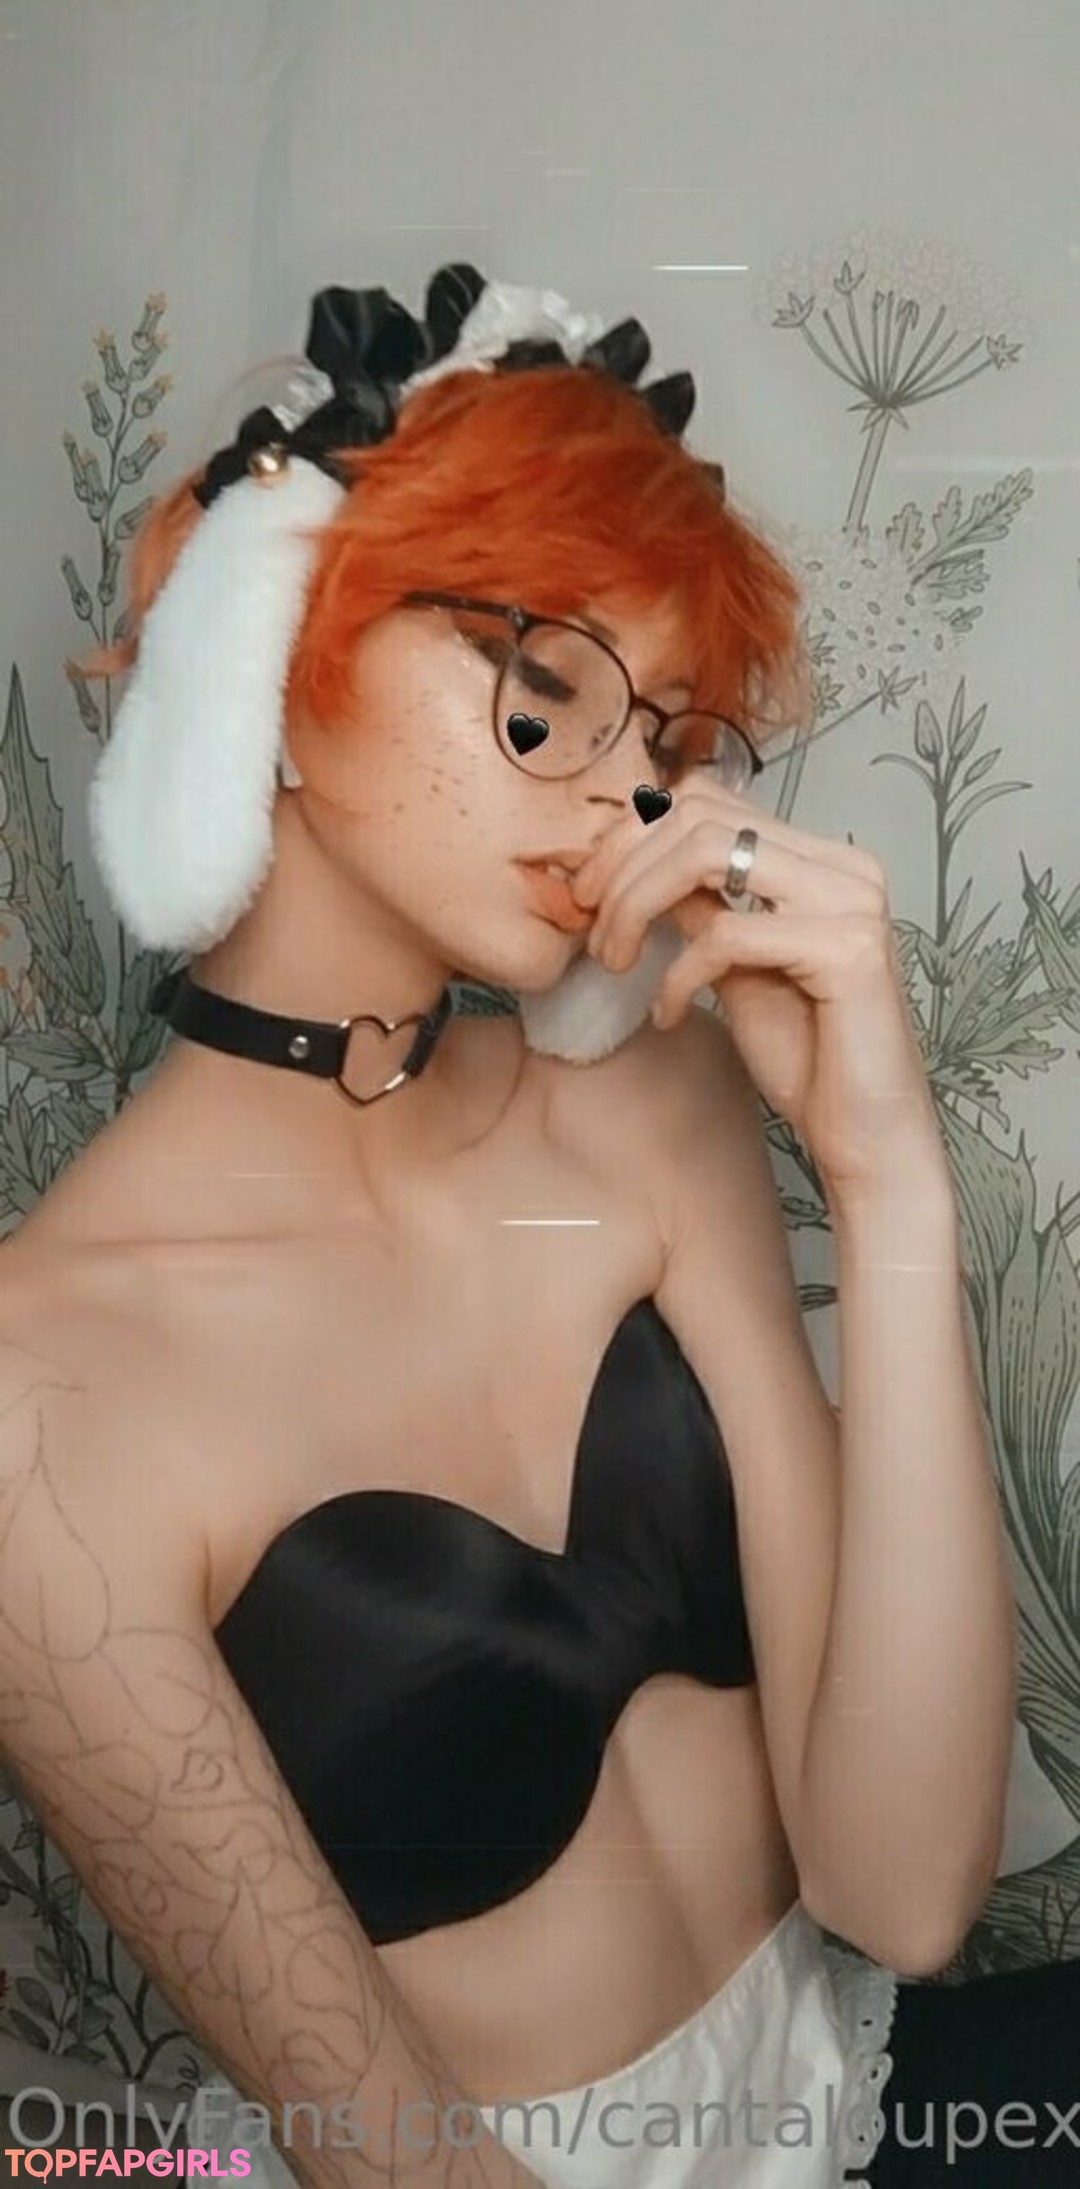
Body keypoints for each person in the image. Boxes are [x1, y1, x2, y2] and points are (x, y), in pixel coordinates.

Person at [0, 263, 1031, 2188]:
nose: (626, 796)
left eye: (670, 735)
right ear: (269, 647)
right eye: (543, 697)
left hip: (860, 2094)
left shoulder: (649, 1095)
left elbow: (902, 1892)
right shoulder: (37, 1390)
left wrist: (889, 1178)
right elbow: (387, 2152)